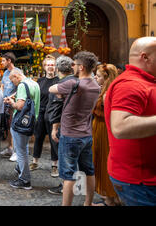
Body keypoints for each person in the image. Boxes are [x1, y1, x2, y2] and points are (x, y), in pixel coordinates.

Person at [104, 37, 156, 206]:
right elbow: (120, 126)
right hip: (140, 181)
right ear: (145, 57)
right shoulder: (131, 84)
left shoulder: (144, 81)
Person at [49, 51, 101, 206]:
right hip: (86, 134)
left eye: (75, 65)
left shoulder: (74, 84)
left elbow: (52, 89)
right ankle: (88, 203)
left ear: (82, 67)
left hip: (70, 134)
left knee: (69, 175)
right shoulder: (96, 86)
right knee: (88, 171)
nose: (73, 67)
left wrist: (64, 92)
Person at [4, 68, 41, 190]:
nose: (13, 83)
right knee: (24, 147)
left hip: (21, 122)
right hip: (31, 121)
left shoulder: (22, 85)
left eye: (12, 80)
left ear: (17, 76)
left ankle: (25, 180)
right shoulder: (34, 83)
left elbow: (19, 106)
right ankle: (21, 168)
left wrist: (11, 102)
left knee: (20, 151)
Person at [91, 63, 120, 206]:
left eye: (98, 76)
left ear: (106, 77)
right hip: (101, 128)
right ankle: (112, 197)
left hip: (103, 130)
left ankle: (109, 199)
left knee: (103, 161)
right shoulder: (107, 90)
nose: (95, 78)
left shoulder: (107, 94)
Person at [46, 55, 75, 195]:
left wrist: (54, 128)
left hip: (65, 126)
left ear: (58, 68)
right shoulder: (78, 82)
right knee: (76, 159)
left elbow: (56, 109)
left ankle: (65, 187)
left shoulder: (59, 86)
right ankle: (78, 187)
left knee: (65, 158)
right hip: (80, 127)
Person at [30, 55, 59, 176]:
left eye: (52, 65)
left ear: (55, 67)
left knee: (54, 140)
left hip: (53, 113)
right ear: (44, 67)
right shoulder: (40, 81)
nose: (50, 67)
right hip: (41, 112)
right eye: (48, 65)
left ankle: (54, 165)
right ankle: (35, 161)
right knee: (38, 137)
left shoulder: (58, 81)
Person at [0, 52, 19, 160]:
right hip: (5, 103)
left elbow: (21, 87)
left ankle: (15, 151)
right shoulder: (6, 72)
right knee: (7, 126)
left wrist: (10, 97)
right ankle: (9, 147)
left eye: (3, 60)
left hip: (13, 104)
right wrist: (2, 95)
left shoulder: (17, 72)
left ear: (9, 61)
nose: (1, 62)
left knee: (13, 127)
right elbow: (2, 85)